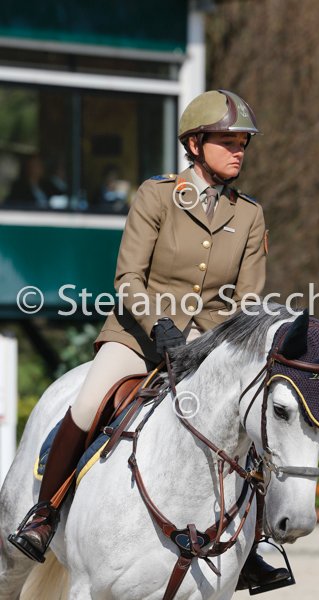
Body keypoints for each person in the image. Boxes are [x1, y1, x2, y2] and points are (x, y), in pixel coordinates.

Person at [9, 89, 289, 587]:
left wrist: (213, 343)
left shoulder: (249, 214)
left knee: (250, 420)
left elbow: (247, 300)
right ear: (195, 144)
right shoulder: (156, 195)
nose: (239, 151)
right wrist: (160, 325)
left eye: (243, 142)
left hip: (208, 347)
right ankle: (44, 514)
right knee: (87, 404)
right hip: (138, 335)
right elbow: (128, 277)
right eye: (227, 141)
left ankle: (252, 545)